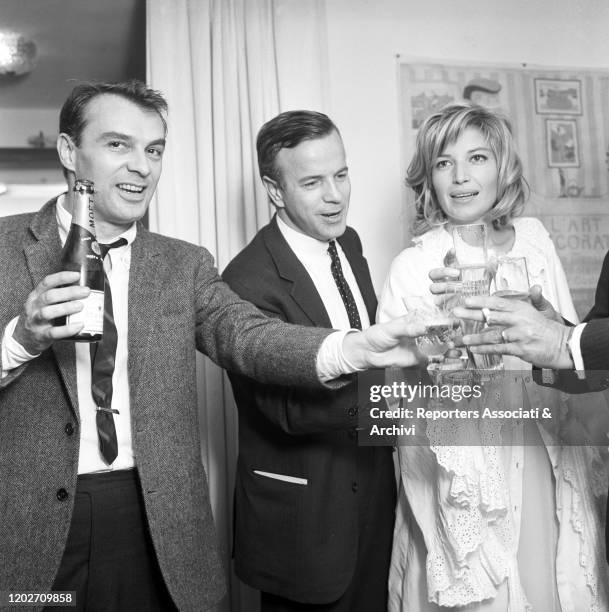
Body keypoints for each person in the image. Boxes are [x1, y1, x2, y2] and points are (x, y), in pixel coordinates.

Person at [0, 81, 427, 612]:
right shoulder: (3, 248)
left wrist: (356, 349)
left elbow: (249, 337)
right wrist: (22, 338)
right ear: (69, 151)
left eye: (153, 149)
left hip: (161, 529)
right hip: (34, 541)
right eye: (118, 145)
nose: (141, 166)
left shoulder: (184, 264)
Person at [377, 102, 609, 611]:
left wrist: (550, 328)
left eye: (477, 158)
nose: (460, 177)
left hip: (545, 453)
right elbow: (388, 402)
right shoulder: (413, 266)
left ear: (501, 167)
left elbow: (572, 350)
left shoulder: (534, 239)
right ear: (429, 178)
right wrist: (434, 367)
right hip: (470, 476)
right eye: (443, 163)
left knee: (553, 584)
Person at [222, 111, 394, 611]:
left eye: (341, 175)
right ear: (275, 191)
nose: (336, 195)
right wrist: (403, 401)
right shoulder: (246, 281)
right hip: (305, 524)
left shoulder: (350, 242)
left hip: (375, 501)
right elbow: (287, 412)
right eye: (314, 182)